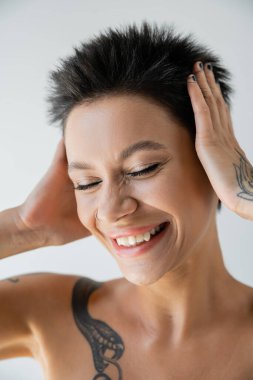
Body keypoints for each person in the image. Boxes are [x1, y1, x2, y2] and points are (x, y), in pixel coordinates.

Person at [0, 21, 253, 380]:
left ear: (214, 165)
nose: (110, 209)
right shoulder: (48, 313)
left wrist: (248, 193)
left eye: (142, 169)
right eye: (87, 183)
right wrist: (21, 229)